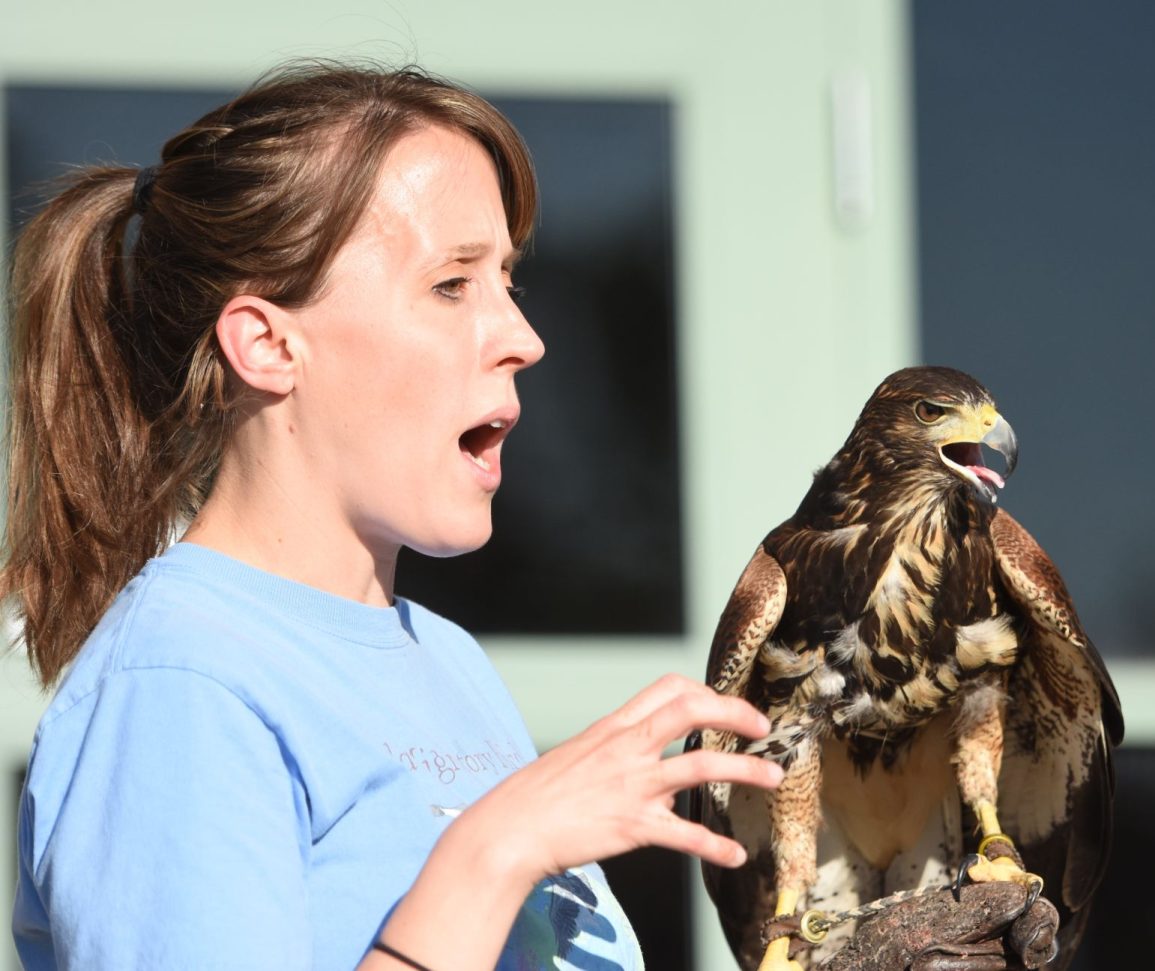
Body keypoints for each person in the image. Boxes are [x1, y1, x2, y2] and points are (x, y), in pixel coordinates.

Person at [1, 64, 783, 970]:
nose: (525, 339)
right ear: (266, 343)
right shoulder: (177, 685)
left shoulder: (444, 660)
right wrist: (494, 855)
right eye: (452, 285)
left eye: (507, 280)